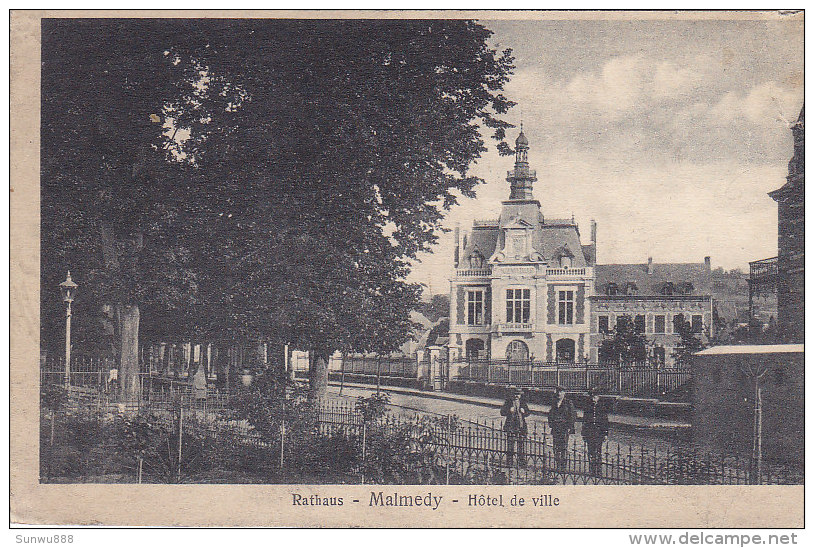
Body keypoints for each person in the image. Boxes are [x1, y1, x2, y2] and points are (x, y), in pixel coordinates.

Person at [581, 387, 610, 477]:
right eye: (592, 397)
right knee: (590, 452)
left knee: (598, 451)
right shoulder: (588, 407)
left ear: (598, 397)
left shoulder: (602, 407)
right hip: (590, 433)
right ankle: (592, 470)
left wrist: (605, 433)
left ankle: (598, 471)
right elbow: (585, 421)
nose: (593, 399)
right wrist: (584, 434)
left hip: (599, 433)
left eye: (595, 397)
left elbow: (605, 421)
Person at [500, 388, 531, 466]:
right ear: (512, 395)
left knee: (521, 444)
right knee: (510, 444)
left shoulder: (523, 403)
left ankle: (521, 462)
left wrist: (525, 412)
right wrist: (508, 411)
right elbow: (502, 412)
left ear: (520, 395)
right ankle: (509, 462)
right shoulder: (508, 402)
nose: (516, 396)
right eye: (515, 394)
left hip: (521, 426)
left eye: (518, 394)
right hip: (511, 426)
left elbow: (528, 412)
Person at [547, 386, 575, 468]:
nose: (559, 393)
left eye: (561, 392)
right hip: (556, 428)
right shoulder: (554, 402)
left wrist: (569, 426)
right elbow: (550, 414)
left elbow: (573, 415)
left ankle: (563, 466)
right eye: (558, 392)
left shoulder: (568, 402)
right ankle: (558, 465)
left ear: (564, 393)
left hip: (564, 428)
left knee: (563, 447)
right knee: (555, 447)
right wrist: (551, 424)